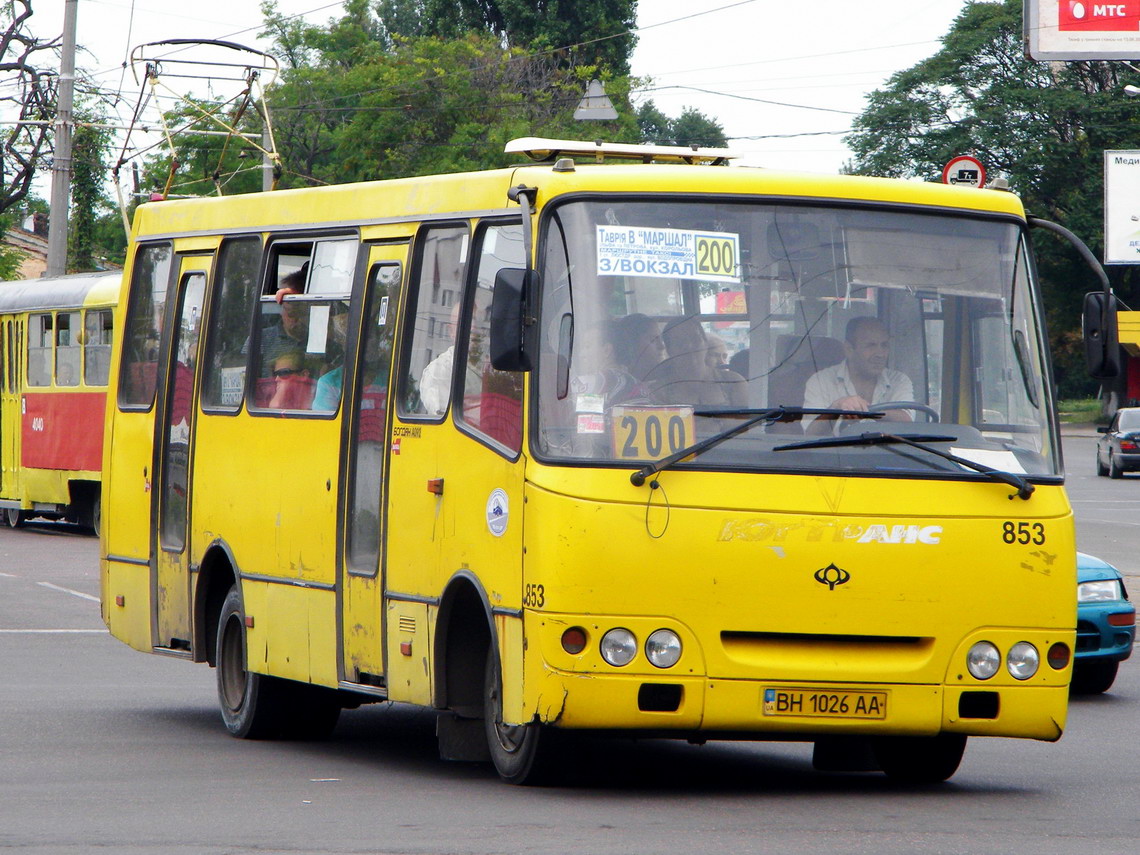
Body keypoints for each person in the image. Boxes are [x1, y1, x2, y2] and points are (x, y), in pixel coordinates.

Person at [802, 316, 914, 434]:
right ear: (849, 349)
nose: (880, 354)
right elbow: (810, 434)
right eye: (871, 345)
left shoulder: (899, 381)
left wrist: (868, 412)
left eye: (884, 345)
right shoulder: (821, 381)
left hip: (888, 452)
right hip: (834, 452)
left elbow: (907, 421)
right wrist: (836, 408)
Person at [647, 315, 747, 407]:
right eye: (680, 342)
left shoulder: (733, 383)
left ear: (706, 344)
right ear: (669, 350)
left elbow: (751, 423)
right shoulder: (658, 392)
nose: (689, 346)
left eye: (695, 339)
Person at [612, 313, 667, 383]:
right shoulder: (616, 384)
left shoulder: (671, 381)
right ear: (631, 344)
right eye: (652, 339)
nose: (662, 347)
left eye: (661, 339)